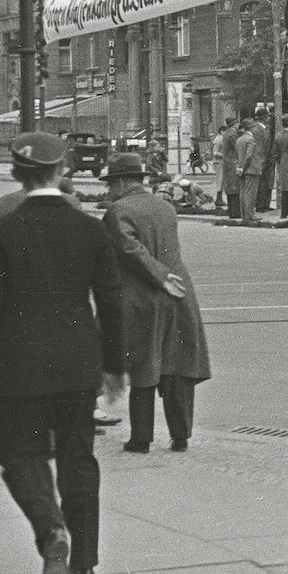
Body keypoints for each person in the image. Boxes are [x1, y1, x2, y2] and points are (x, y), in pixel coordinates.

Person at [0, 132, 126, 574]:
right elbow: (111, 300)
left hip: (18, 365)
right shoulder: (90, 229)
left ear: (17, 173)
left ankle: (50, 526)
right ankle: (85, 564)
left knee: (19, 455)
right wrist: (114, 365)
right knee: (78, 458)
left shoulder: (2, 231)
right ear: (62, 170)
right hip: (78, 361)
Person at [101, 154, 211, 455]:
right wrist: (167, 276)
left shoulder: (118, 210)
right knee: (177, 366)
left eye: (110, 184)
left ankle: (141, 438)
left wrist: (159, 276)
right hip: (180, 290)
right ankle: (181, 436)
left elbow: (131, 250)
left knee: (144, 366)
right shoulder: (165, 206)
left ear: (122, 182)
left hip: (143, 295)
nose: (109, 190)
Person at [236, 118, 262, 225]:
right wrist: (244, 167)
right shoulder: (251, 139)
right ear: (251, 128)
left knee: (243, 192)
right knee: (250, 193)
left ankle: (244, 215)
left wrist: (239, 167)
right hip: (251, 169)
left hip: (241, 169)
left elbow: (236, 156)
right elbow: (249, 156)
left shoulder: (239, 139)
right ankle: (250, 215)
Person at [218, 117, 242, 221]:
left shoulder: (226, 133)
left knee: (230, 188)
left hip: (227, 163)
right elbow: (237, 148)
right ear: (234, 124)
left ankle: (232, 211)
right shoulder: (232, 134)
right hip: (232, 163)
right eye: (237, 123)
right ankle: (236, 212)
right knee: (235, 187)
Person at [251, 109, 273, 214]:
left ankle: (265, 204)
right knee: (261, 183)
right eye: (267, 117)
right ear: (263, 118)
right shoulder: (257, 130)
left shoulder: (265, 129)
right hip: (262, 160)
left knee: (267, 183)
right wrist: (262, 160)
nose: (269, 118)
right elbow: (260, 147)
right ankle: (260, 205)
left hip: (267, 160)